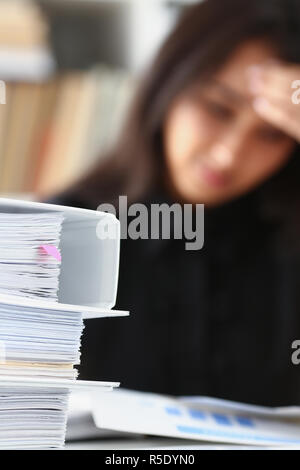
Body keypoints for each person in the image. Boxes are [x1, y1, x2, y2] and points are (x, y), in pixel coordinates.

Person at [48, 0, 300, 406]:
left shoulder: (288, 240)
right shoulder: (55, 237)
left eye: (272, 134)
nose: (228, 155)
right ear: (168, 84)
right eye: (217, 108)